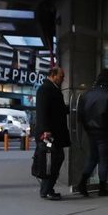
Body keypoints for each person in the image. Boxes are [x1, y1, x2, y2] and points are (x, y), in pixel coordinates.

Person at [76, 69, 108, 197]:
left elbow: (81, 114)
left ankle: (82, 183)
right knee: (104, 160)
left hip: (91, 131)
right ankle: (102, 188)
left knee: (93, 158)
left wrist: (87, 128)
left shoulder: (88, 94)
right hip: (105, 132)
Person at [35, 67, 70, 200]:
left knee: (54, 160)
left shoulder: (52, 89)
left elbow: (57, 110)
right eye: (61, 76)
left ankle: (47, 189)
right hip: (49, 135)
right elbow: (42, 112)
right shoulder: (45, 89)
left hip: (54, 133)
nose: (63, 79)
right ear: (53, 75)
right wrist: (46, 131)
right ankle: (47, 189)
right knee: (51, 161)